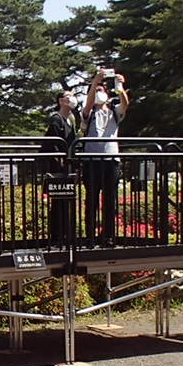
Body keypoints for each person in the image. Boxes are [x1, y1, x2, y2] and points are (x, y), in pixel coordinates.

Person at [81, 68, 130, 244]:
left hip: (111, 160)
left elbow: (125, 104)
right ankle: (90, 236)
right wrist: (95, 82)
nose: (99, 93)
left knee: (110, 199)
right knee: (91, 198)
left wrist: (120, 87)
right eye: (96, 91)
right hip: (92, 161)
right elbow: (86, 106)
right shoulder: (89, 113)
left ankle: (108, 235)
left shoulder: (114, 113)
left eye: (102, 90)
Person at [44, 90, 80, 245]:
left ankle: (66, 234)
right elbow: (52, 143)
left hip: (67, 167)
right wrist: (60, 160)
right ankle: (57, 236)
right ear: (60, 101)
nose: (72, 99)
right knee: (58, 201)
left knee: (67, 201)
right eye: (68, 97)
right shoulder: (56, 119)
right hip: (58, 167)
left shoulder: (70, 120)